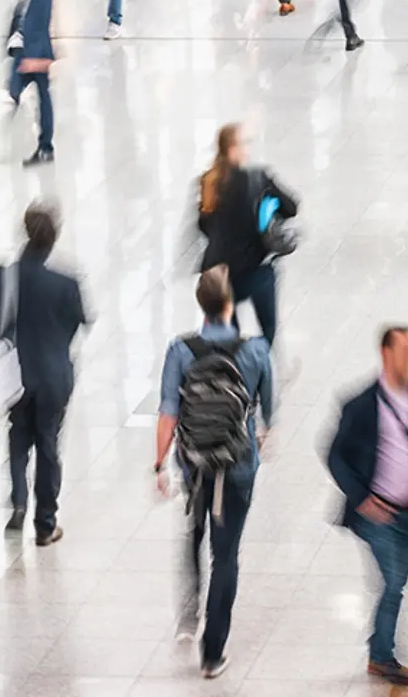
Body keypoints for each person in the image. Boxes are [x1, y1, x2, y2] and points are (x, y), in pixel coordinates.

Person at [155, 266, 274, 679]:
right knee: (226, 554)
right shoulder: (256, 350)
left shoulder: (180, 350)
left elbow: (169, 412)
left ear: (200, 306)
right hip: (237, 468)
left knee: (194, 530)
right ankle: (212, 652)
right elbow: (265, 413)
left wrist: (159, 464)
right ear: (229, 305)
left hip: (194, 464)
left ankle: (188, 615)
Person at [326, 326, 408, 689]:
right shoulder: (361, 404)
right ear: (385, 354)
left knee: (398, 583)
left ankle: (382, 644)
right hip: (379, 513)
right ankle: (381, 655)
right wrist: (362, 498)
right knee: (393, 583)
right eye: (403, 352)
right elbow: (334, 454)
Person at [0, 202, 91, 547]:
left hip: (14, 374)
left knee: (18, 437)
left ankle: (19, 501)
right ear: (55, 237)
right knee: (48, 444)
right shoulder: (66, 282)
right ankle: (46, 523)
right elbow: (83, 320)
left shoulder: (5, 274)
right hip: (53, 375)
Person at [197, 123, 299, 345]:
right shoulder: (259, 178)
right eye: (245, 143)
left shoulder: (207, 182)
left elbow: (203, 226)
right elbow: (291, 207)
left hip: (216, 277)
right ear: (233, 149)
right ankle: (259, 362)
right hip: (251, 271)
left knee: (226, 334)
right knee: (268, 328)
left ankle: (232, 368)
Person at [7, 0, 56, 167]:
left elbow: (40, 23)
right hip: (24, 50)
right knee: (17, 90)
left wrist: (36, 57)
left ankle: (45, 146)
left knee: (40, 98)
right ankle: (41, 144)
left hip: (35, 54)